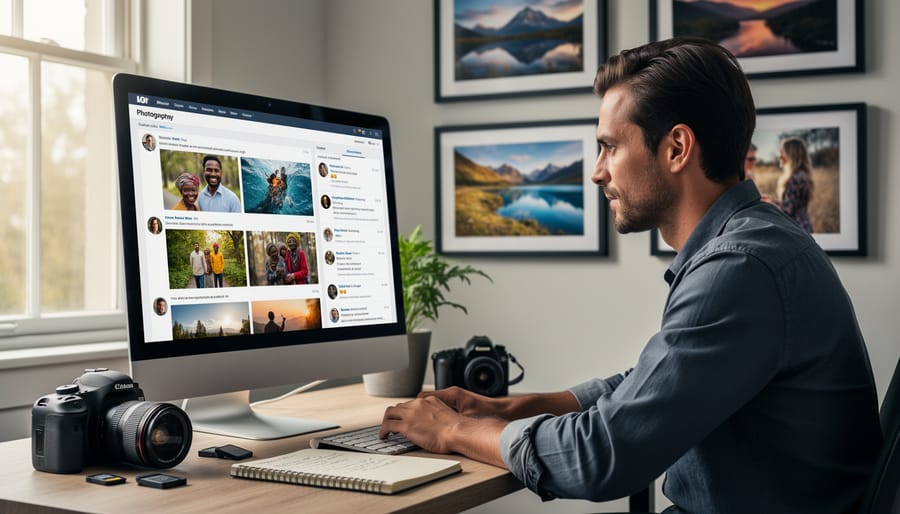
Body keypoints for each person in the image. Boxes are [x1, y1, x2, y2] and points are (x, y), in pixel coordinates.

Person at [379, 37, 881, 513]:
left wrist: (451, 431)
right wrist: (508, 409)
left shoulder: (740, 267)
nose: (597, 171)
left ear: (676, 148)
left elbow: (601, 456)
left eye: (610, 147)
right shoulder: (757, 242)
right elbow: (652, 387)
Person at [772, 136, 815, 233]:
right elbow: (794, 205)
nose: (779, 156)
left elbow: (787, 212)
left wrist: (769, 205)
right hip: (804, 225)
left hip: (796, 229)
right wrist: (774, 201)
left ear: (792, 155)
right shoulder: (802, 176)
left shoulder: (794, 179)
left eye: (782, 152)